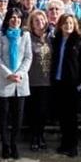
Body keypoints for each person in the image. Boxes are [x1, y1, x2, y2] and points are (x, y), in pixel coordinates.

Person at [0, 8, 32, 159]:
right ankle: (5, 145)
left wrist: (20, 73)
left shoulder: (25, 35)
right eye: (12, 18)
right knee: (3, 116)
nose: (15, 20)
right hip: (4, 80)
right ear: (8, 19)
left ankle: (14, 144)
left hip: (20, 81)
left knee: (18, 117)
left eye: (18, 18)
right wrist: (8, 74)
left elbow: (28, 57)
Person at [50, 14, 81, 157]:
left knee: (71, 116)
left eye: (71, 23)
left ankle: (72, 145)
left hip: (73, 84)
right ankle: (64, 143)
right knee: (62, 115)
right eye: (65, 23)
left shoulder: (79, 40)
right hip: (58, 82)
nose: (68, 26)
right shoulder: (56, 40)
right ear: (60, 25)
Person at [25, 10, 51, 152]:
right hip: (32, 80)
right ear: (32, 23)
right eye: (36, 20)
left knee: (43, 111)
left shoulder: (51, 37)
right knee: (33, 111)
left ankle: (40, 135)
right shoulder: (27, 37)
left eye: (42, 20)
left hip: (47, 81)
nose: (39, 22)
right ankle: (34, 137)